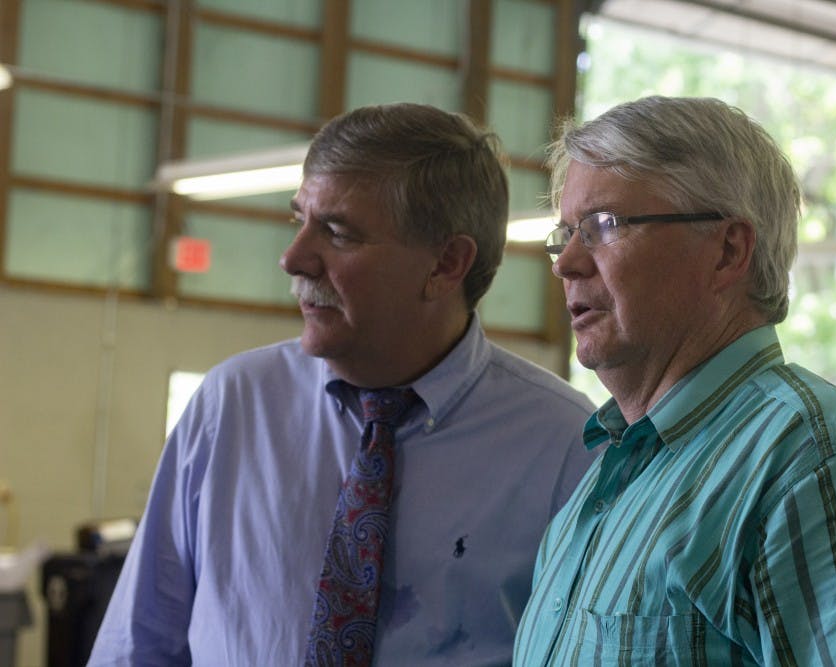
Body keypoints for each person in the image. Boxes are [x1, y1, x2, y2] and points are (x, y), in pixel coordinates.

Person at [89, 103, 596, 666]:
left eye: (337, 233)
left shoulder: (567, 450)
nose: (293, 258)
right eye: (299, 221)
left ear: (446, 264)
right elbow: (136, 648)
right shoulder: (232, 407)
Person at [512, 96, 836, 666]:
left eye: (603, 226)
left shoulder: (819, 465)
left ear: (728, 251)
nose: (565, 263)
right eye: (565, 233)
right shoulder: (611, 479)